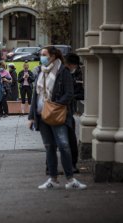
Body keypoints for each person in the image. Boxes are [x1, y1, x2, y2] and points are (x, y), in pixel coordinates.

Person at [28, 46, 87, 190]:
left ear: (53, 56)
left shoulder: (63, 72)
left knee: (64, 146)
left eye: (44, 54)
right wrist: (31, 117)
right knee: (49, 147)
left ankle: (70, 179)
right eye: (41, 54)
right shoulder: (41, 71)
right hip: (41, 116)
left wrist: (55, 106)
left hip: (57, 115)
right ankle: (52, 179)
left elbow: (69, 93)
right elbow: (35, 95)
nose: (42, 57)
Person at [65, 53, 84, 173]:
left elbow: (80, 92)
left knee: (68, 140)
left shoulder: (75, 74)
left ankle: (71, 165)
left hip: (67, 112)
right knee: (63, 141)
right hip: (61, 112)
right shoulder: (61, 73)